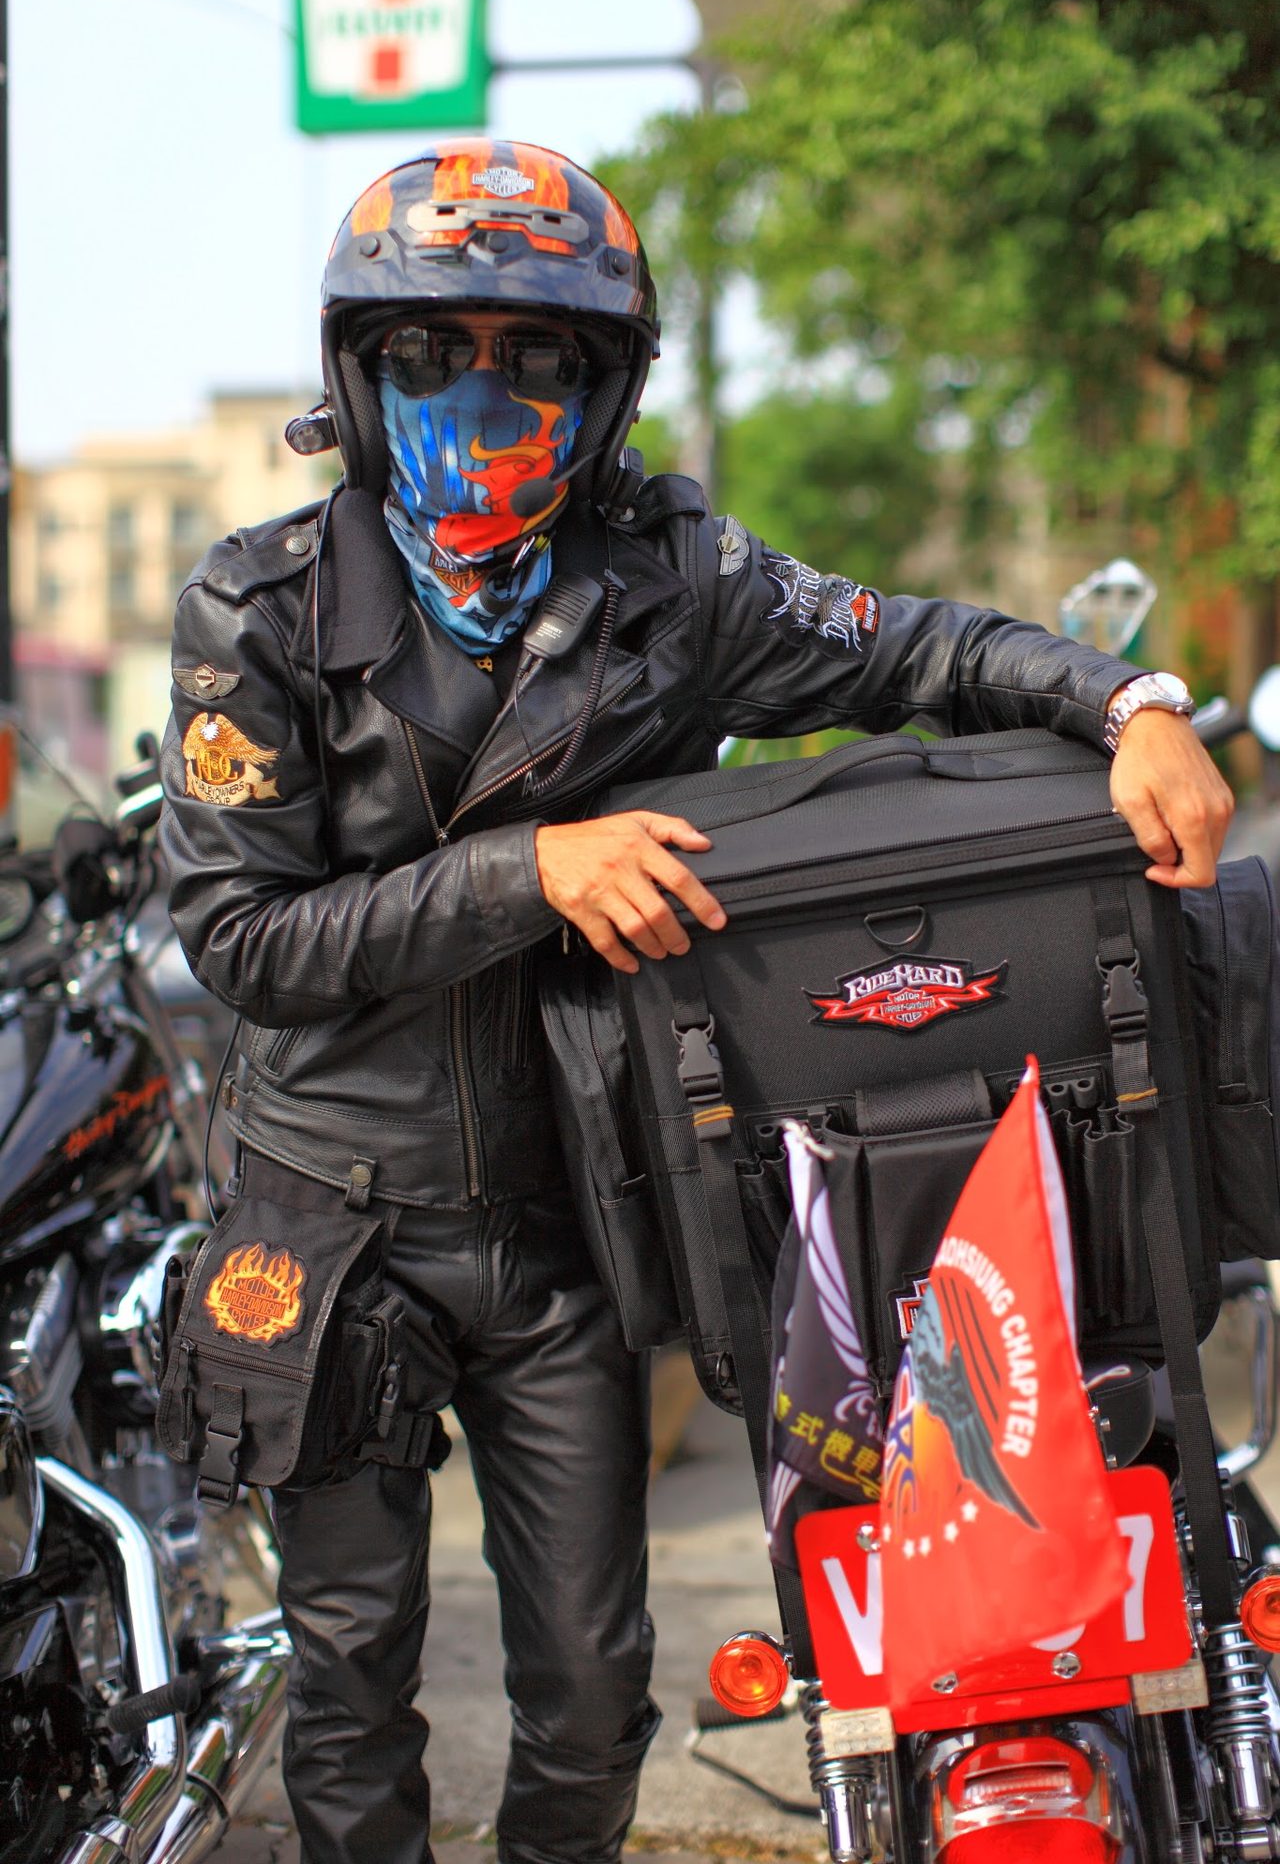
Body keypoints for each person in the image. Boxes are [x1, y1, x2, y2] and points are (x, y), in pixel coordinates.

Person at [158, 138, 1232, 1864]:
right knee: (351, 1686)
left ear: (607, 386)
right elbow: (242, 938)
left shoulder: (676, 579)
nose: (483, 393)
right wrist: (531, 871)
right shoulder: (258, 605)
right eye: (432, 351)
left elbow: (917, 647)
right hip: (332, 1215)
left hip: (574, 1217)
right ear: (359, 374)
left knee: (594, 1694)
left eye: (538, 354)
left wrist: (1132, 705)